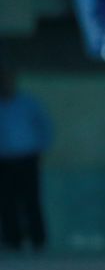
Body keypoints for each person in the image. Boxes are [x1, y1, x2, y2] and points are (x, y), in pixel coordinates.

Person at [0, 60, 53, 252]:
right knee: (7, 202)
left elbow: (45, 126)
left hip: (27, 159)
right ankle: (13, 241)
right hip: (4, 161)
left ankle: (38, 240)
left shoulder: (28, 103)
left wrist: (40, 149)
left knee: (31, 200)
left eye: (7, 79)